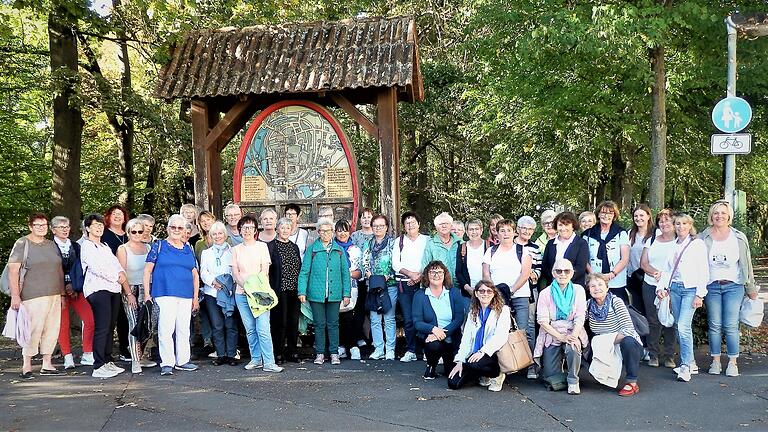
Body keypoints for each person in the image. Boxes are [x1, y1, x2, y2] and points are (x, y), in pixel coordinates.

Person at [700, 200, 757, 377]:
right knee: (715, 324)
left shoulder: (738, 237)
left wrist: (751, 287)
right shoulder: (703, 237)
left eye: (723, 213)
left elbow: (746, 264)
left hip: (734, 285)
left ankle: (732, 362)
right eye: (716, 213)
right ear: (712, 215)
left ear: (729, 216)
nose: (720, 216)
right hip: (711, 286)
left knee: (731, 325)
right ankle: (715, 361)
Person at [7, 213, 65, 379]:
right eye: (38, 225)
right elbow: (13, 271)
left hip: (53, 293)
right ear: (30, 226)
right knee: (33, 329)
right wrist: (15, 296)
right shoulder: (22, 243)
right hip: (32, 295)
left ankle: (47, 363)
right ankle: (27, 365)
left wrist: (62, 293)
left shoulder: (51, 245)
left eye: (44, 225)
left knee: (52, 329)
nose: (42, 228)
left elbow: (59, 269)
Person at [143, 214, 200, 376]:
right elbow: (147, 270)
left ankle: (183, 360)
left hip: (186, 295)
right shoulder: (159, 246)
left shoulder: (188, 248)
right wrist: (147, 294)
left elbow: (195, 275)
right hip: (164, 293)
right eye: (173, 227)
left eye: (180, 227)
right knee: (165, 329)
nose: (176, 230)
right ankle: (167, 363)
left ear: (184, 230)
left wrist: (195, 298)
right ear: (168, 228)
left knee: (183, 329)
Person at [656, 212, 709, 382]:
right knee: (679, 325)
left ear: (690, 225)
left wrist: (700, 294)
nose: (681, 227)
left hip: (690, 290)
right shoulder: (673, 245)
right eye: (677, 224)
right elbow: (667, 269)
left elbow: (704, 270)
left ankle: (685, 366)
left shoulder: (697, 244)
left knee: (684, 326)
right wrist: (661, 288)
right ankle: (691, 362)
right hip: (675, 289)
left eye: (684, 224)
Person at [81, 213, 130, 379]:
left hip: (113, 289)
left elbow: (115, 264)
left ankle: (108, 360)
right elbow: (97, 267)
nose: (99, 227)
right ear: (88, 228)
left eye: (101, 224)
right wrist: (116, 277)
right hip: (98, 290)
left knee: (110, 326)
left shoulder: (105, 247)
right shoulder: (87, 246)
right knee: (102, 327)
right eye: (95, 225)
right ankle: (99, 364)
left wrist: (121, 274)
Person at [231, 214, 283, 372]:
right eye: (244, 227)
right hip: (242, 294)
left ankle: (269, 362)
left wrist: (255, 290)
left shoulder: (262, 247)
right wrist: (246, 288)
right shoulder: (235, 250)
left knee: (263, 328)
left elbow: (264, 271)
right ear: (240, 230)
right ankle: (256, 359)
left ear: (255, 230)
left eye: (250, 227)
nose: (247, 230)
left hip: (260, 294)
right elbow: (235, 273)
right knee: (250, 329)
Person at [298, 218, 351, 365]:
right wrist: (301, 291)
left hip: (335, 293)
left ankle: (334, 353)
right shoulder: (312, 250)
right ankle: (320, 353)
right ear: (318, 232)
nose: (325, 233)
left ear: (332, 232)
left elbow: (345, 273)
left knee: (333, 323)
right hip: (316, 293)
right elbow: (304, 272)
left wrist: (346, 294)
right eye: (322, 231)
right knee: (319, 324)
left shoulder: (339, 250)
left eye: (328, 231)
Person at [534, 258, 588, 395]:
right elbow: (543, 321)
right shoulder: (545, 293)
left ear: (572, 273)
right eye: (559, 271)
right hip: (553, 332)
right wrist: (561, 337)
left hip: (572, 329)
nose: (562, 274)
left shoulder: (578, 290)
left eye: (566, 271)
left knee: (574, 347)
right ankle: (561, 370)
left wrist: (573, 336)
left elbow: (580, 316)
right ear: (553, 273)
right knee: (550, 377)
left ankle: (573, 381)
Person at [586, 274, 643, 396]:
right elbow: (578, 320)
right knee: (589, 347)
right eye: (593, 286)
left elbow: (629, 329)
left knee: (628, 341)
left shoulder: (616, 302)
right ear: (589, 289)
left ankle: (632, 382)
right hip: (603, 345)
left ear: (607, 288)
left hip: (623, 342)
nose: (597, 288)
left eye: (600, 285)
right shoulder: (588, 305)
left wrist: (607, 341)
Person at [447, 280, 510, 391]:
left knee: (474, 364)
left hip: (492, 353)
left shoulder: (502, 310)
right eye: (481, 291)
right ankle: (481, 374)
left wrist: (483, 351)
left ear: (494, 293)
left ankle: (496, 375)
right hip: (474, 354)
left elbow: (501, 336)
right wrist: (460, 361)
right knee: (453, 383)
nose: (485, 294)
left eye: (489, 291)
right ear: (476, 293)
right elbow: (466, 338)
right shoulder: (473, 312)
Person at [482, 219, 532, 355]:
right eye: (502, 231)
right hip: (497, 297)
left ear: (514, 232)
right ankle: (503, 365)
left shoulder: (523, 251)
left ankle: (529, 365)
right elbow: (486, 274)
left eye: (509, 230)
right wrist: (496, 292)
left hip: (519, 296)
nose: (506, 233)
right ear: (497, 233)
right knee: (498, 331)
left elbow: (525, 273)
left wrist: (511, 290)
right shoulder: (490, 251)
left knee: (522, 330)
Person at [51, 216, 95, 369]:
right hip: (57, 290)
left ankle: (88, 353)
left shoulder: (76, 246)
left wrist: (73, 285)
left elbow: (79, 268)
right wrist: (65, 286)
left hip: (76, 289)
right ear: (53, 229)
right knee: (63, 324)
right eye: (60, 226)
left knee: (89, 319)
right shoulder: (50, 247)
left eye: (67, 226)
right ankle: (67, 356)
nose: (64, 229)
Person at [116, 218, 159, 374]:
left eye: (140, 231)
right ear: (128, 232)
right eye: (133, 231)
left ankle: (140, 354)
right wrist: (128, 293)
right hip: (131, 289)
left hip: (148, 289)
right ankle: (135, 360)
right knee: (134, 324)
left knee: (149, 323)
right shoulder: (123, 249)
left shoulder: (148, 248)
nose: (137, 234)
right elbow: (121, 274)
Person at [413, 261, 466, 379]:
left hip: (452, 337)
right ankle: (431, 365)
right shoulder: (420, 295)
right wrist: (433, 329)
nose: (436, 275)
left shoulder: (454, 292)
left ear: (445, 274)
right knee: (433, 345)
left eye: (439, 272)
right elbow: (417, 322)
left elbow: (459, 318)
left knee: (452, 375)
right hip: (431, 337)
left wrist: (442, 332)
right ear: (427, 275)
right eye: (432, 272)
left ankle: (448, 359)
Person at [639, 209, 678, 368]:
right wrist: (656, 273)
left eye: (667, 220)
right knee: (653, 320)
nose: (664, 223)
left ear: (674, 222)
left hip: (672, 286)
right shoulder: (652, 239)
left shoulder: (680, 241)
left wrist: (665, 277)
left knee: (670, 320)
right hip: (650, 284)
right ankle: (653, 354)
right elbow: (644, 263)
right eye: (661, 221)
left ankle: (669, 356)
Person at [199, 221, 239, 366]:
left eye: (220, 233)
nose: (217, 236)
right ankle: (221, 354)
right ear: (210, 236)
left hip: (228, 293)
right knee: (217, 325)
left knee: (230, 324)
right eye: (214, 234)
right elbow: (203, 272)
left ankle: (232, 355)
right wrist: (213, 282)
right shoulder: (206, 253)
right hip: (212, 292)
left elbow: (235, 270)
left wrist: (229, 283)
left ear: (225, 234)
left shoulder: (233, 251)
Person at [391, 211, 429, 362]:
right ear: (404, 226)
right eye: (407, 223)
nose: (410, 225)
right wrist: (410, 275)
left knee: (426, 317)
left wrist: (419, 275)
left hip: (424, 283)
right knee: (408, 318)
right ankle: (411, 349)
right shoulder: (399, 241)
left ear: (419, 224)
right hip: (404, 284)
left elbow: (430, 260)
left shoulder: (427, 240)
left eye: (413, 222)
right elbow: (395, 264)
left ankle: (427, 349)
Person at [268, 217, 302, 363]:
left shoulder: (294, 247)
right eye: (282, 228)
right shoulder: (271, 246)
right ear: (277, 229)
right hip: (278, 289)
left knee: (293, 322)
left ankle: (293, 351)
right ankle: (278, 353)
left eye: (288, 228)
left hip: (294, 290)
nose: (285, 230)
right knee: (279, 322)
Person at [363, 214, 397, 360]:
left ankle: (390, 349)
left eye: (381, 226)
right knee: (375, 318)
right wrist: (367, 272)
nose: (378, 228)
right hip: (373, 286)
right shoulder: (368, 243)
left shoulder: (393, 243)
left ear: (386, 227)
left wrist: (388, 275)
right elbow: (363, 261)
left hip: (389, 285)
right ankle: (378, 348)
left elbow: (396, 262)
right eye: (375, 226)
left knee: (389, 317)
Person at [583, 201, 630, 303]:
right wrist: (594, 276)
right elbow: (584, 258)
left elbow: (625, 258)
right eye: (603, 212)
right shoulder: (587, 234)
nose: (606, 216)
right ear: (598, 214)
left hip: (616, 281)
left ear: (614, 216)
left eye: (610, 213)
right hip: (594, 281)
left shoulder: (621, 233)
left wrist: (611, 274)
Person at [101, 204, 131, 361]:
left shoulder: (130, 234)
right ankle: (106, 353)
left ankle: (126, 348)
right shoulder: (103, 235)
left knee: (127, 317)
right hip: (112, 280)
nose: (118, 216)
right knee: (114, 317)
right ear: (108, 217)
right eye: (114, 214)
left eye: (121, 214)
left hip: (130, 279)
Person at [515, 215, 543, 379]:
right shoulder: (510, 245)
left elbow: (539, 268)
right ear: (518, 229)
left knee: (530, 327)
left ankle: (532, 364)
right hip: (512, 290)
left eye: (530, 229)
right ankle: (515, 361)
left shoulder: (535, 248)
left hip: (530, 291)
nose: (526, 231)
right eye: (523, 228)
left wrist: (534, 274)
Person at [334, 219, 362, 360]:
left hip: (351, 287)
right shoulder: (331, 248)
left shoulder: (355, 249)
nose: (342, 233)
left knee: (349, 317)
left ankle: (352, 346)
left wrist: (346, 274)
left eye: (345, 230)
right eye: (339, 230)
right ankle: (340, 347)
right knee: (336, 318)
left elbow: (360, 272)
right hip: (333, 287)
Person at [541, 212, 590, 287]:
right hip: (553, 286)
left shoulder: (581, 243)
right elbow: (545, 266)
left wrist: (563, 280)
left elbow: (580, 268)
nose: (563, 228)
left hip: (574, 287)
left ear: (573, 226)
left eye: (567, 225)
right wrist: (556, 279)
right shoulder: (550, 244)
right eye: (560, 225)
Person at [350, 207, 375, 348]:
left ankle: (372, 338)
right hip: (359, 278)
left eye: (369, 217)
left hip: (374, 278)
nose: (366, 219)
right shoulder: (355, 236)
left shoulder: (377, 234)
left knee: (373, 309)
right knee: (359, 309)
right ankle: (359, 337)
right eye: (364, 217)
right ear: (360, 220)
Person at [627, 204, 655, 312]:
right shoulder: (629, 233)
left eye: (641, 215)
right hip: (633, 277)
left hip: (649, 277)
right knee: (637, 309)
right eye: (636, 216)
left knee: (650, 310)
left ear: (648, 216)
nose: (638, 218)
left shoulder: (656, 234)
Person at [422, 212, 461, 284]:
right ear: (436, 227)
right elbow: (425, 266)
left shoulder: (460, 242)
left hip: (461, 285)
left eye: (446, 223)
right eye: (441, 224)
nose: (444, 226)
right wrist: (425, 286)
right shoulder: (431, 244)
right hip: (440, 285)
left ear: (451, 226)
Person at [455, 219, 487, 299]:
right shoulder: (462, 247)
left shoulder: (489, 246)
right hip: (468, 294)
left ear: (481, 230)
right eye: (471, 229)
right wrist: (468, 288)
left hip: (487, 292)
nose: (474, 232)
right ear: (466, 231)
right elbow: (458, 272)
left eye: (477, 229)